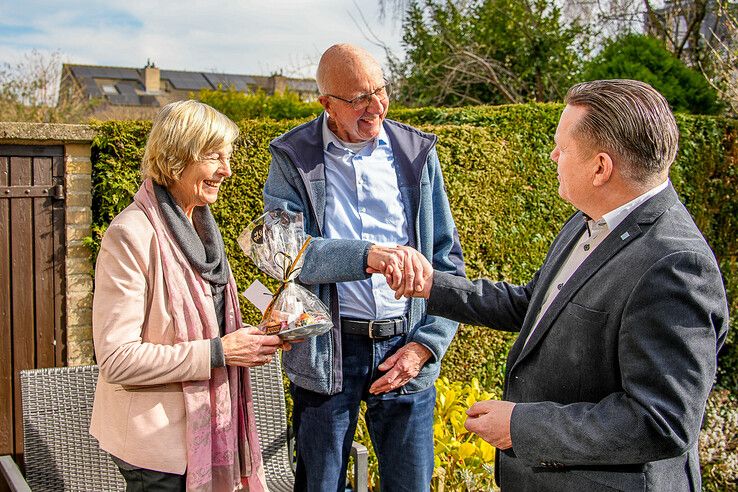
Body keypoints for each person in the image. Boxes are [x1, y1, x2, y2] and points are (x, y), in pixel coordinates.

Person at [383, 79, 729, 491]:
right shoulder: (590, 220)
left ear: (601, 168)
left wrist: (521, 425)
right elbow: (536, 307)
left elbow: (661, 420)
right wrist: (431, 286)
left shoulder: (676, 266)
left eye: (562, 149)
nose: (552, 156)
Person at [262, 43, 466, 491]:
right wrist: (366, 255)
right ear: (327, 104)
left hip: (404, 346)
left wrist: (426, 346)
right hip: (329, 353)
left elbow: (447, 262)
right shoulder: (293, 156)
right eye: (359, 99)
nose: (376, 107)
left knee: (411, 485)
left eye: (380, 91)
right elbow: (284, 253)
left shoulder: (416, 153)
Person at [90, 100, 288, 492]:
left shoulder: (200, 228)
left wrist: (250, 337)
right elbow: (116, 359)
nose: (227, 170)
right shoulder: (131, 234)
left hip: (211, 431)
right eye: (215, 156)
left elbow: (204, 322)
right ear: (177, 156)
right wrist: (220, 353)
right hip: (158, 452)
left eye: (227, 157)